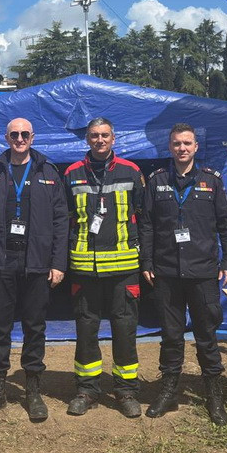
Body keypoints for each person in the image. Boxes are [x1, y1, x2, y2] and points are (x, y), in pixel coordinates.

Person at [0, 117, 69, 423]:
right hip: (1, 262)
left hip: (37, 263)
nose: (19, 138)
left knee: (34, 327)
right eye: (14, 134)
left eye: (25, 134)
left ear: (32, 137)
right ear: (6, 137)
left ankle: (33, 390)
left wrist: (58, 263)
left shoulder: (48, 172)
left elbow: (61, 221)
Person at [139, 123, 227, 425]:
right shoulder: (157, 181)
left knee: (207, 335)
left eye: (187, 143)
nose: (182, 148)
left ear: (196, 147)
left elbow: (226, 225)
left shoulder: (212, 181)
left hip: (203, 272)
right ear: (170, 147)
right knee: (171, 335)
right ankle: (168, 391)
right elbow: (147, 225)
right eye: (177, 143)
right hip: (166, 272)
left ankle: (214, 394)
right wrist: (146, 261)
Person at [63, 117, 146, 418]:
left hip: (124, 268)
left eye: (105, 135)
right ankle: (86, 390)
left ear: (114, 138)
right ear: (87, 139)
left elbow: (144, 217)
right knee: (87, 330)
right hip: (85, 268)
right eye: (94, 135)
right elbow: (65, 219)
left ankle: (126, 391)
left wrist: (146, 259)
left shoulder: (131, 171)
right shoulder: (72, 173)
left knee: (125, 330)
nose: (100, 140)